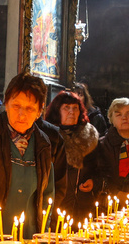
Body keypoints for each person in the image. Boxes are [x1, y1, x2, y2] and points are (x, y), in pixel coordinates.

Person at [0, 72, 55, 238]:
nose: (22, 114)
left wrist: (43, 233)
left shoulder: (43, 143)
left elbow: (47, 193)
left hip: (28, 236)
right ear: (6, 103)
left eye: (30, 109)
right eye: (16, 106)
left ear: (39, 111)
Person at [43, 90, 101, 223]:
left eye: (75, 108)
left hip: (83, 207)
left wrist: (94, 182)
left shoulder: (90, 138)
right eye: (66, 108)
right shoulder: (46, 137)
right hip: (54, 207)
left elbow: (101, 169)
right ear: (57, 111)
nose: (71, 112)